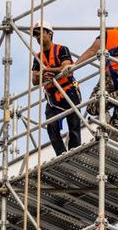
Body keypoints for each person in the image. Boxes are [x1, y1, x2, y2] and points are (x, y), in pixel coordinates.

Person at [32, 21, 82, 156]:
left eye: (40, 33)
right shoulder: (37, 57)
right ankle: (62, 155)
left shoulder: (61, 49)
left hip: (68, 92)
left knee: (74, 127)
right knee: (52, 127)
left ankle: (75, 154)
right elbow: (34, 80)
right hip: (52, 97)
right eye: (35, 35)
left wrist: (50, 70)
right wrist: (43, 74)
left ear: (49, 33)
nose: (37, 37)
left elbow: (68, 69)